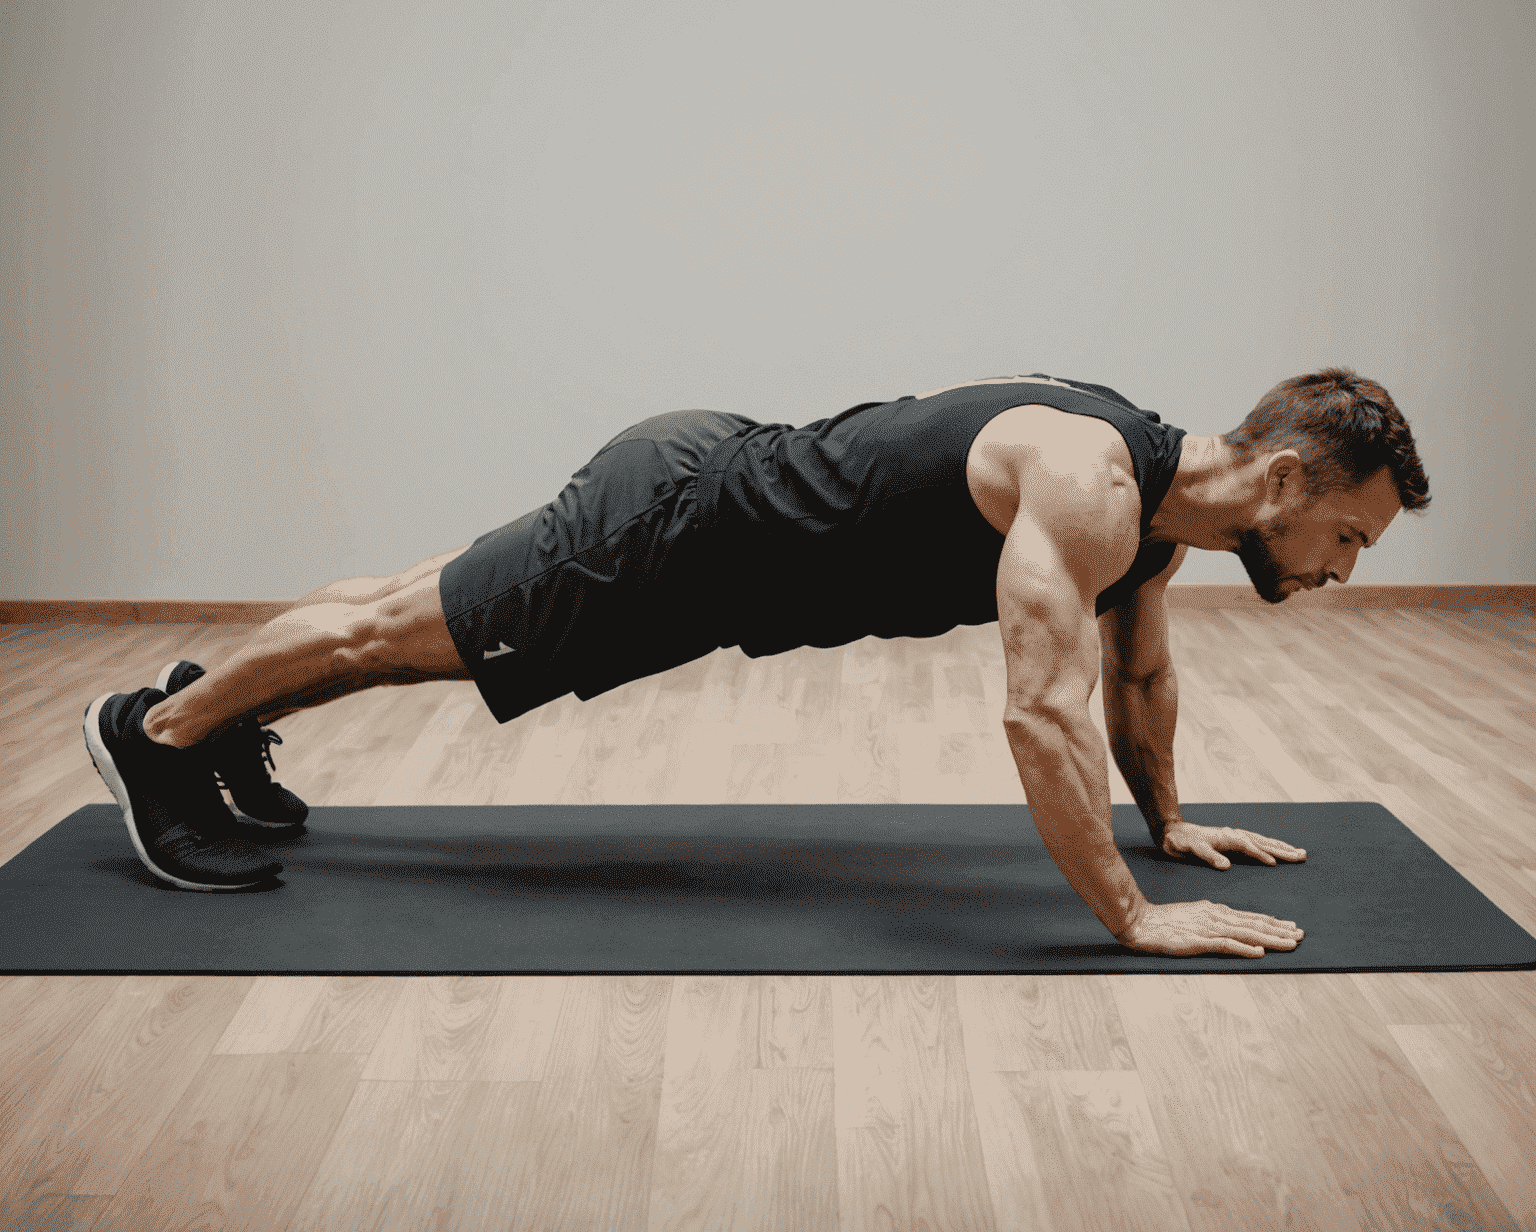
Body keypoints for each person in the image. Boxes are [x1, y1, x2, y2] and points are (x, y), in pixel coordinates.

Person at [83, 366, 1430, 958]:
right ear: (1292, 475)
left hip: (700, 503)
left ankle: (204, 722)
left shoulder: (1151, 522)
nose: (1340, 566)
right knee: (397, 635)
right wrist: (1130, 920)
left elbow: (1135, 687)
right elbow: (1042, 711)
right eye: (1349, 534)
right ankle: (155, 740)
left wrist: (1172, 823)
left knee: (400, 617)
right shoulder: (1091, 484)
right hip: (674, 536)